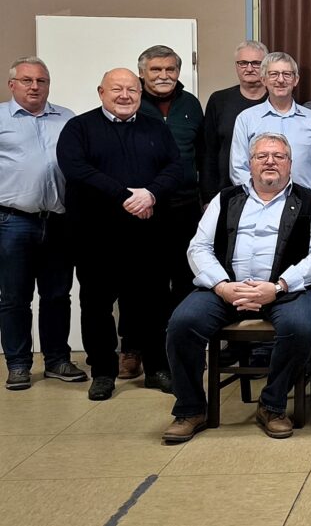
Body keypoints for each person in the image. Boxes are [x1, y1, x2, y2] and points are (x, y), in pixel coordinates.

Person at [161, 132, 311, 442]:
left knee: (300, 326)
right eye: (262, 156)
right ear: (249, 163)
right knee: (182, 323)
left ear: (290, 165)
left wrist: (279, 286)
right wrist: (222, 285)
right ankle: (190, 409)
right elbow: (198, 247)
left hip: (285, 290)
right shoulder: (225, 199)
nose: (270, 161)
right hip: (227, 288)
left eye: (278, 156)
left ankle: (272, 405)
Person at [57, 68, 184, 401]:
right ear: (101, 92)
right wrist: (125, 196)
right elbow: (77, 169)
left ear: (140, 94)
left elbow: (175, 167)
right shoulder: (79, 128)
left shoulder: (155, 127)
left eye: (132, 90)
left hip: (148, 235)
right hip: (95, 236)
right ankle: (102, 372)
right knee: (96, 305)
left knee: (153, 303)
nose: (125, 95)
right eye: (117, 89)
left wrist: (151, 194)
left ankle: (157, 368)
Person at [1, 56, 85, 390]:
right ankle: (19, 364)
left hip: (59, 221)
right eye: (27, 80)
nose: (35, 87)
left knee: (57, 295)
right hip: (13, 221)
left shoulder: (67, 119)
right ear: (12, 84)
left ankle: (56, 360)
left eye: (41, 81)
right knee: (14, 297)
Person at [136, 45, 206, 322]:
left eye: (170, 69)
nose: (164, 75)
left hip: (185, 204)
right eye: (156, 69)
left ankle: (180, 340)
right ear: (142, 73)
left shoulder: (190, 103)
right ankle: (135, 345)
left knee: (185, 275)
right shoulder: (132, 102)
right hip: (144, 207)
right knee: (143, 278)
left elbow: (203, 153)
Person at [230, 51, 311, 198]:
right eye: (273, 74)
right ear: (263, 79)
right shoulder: (246, 119)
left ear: (296, 79)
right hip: (260, 205)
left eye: (287, 74)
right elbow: (238, 168)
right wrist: (257, 199)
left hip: (304, 208)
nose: (280, 80)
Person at [200, 40, 268, 201]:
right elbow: (208, 152)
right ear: (236, 66)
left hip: (271, 191)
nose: (249, 68)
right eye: (243, 63)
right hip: (226, 192)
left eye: (256, 63)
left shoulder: (278, 101)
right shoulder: (219, 100)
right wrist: (208, 198)